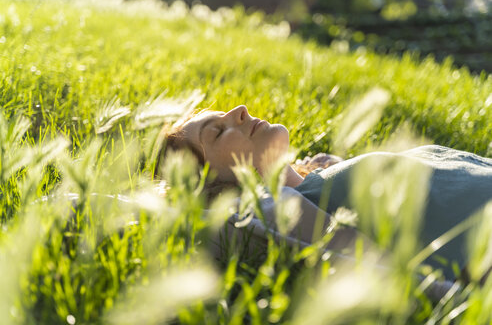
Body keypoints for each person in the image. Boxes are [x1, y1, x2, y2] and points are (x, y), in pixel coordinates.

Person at [153, 105, 492, 282]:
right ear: (215, 187)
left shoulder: (320, 182)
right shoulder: (286, 209)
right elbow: (381, 270)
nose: (240, 111)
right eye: (218, 131)